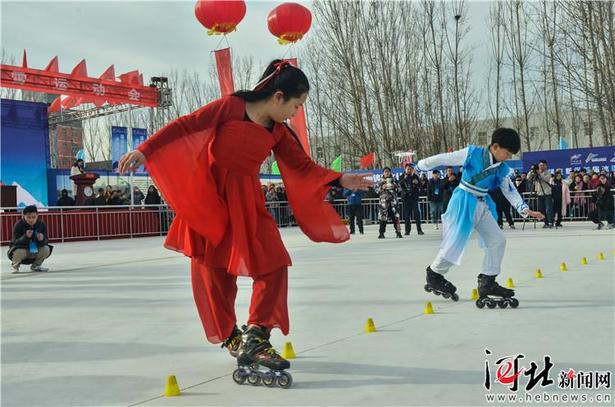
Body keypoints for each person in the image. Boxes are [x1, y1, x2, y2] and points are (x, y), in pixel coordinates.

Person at [118, 60, 372, 374]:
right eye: (296, 105)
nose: (295, 113)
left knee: (274, 263)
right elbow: (187, 124)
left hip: (248, 201)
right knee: (214, 271)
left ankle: (257, 335)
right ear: (278, 96)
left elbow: (302, 167)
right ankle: (230, 336)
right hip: (212, 196)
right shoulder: (231, 107)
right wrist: (146, 149)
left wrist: (338, 179)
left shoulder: (279, 132)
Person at [415, 128, 544, 307]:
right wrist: (421, 165)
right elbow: (445, 158)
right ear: (496, 147)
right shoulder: (472, 153)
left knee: (497, 240)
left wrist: (524, 209)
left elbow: (509, 190)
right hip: (463, 200)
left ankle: (487, 282)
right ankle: (434, 274)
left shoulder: (501, 168)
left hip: (482, 203)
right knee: (455, 242)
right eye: (506, 153)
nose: (507, 157)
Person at [8, 205, 53, 273]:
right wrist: (25, 237)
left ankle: (36, 266)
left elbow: (46, 241)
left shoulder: (41, 224)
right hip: (23, 250)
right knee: (17, 251)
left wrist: (42, 239)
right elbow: (14, 242)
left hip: (35, 250)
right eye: (28, 217)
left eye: (33, 217)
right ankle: (15, 267)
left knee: (46, 249)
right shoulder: (18, 225)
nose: (31, 220)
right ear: (24, 216)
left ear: (37, 216)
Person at [377, 167, 403, 239]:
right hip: (383, 203)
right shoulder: (380, 180)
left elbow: (400, 189)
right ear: (383, 173)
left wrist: (395, 186)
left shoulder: (394, 180)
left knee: (396, 218)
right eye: (385, 172)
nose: (387, 173)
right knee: (382, 219)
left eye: (388, 171)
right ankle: (381, 233)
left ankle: (398, 232)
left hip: (393, 203)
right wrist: (382, 187)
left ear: (390, 172)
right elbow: (376, 190)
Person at [527, 160, 554, 228]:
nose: (541, 167)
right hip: (539, 193)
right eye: (540, 165)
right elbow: (528, 178)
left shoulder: (548, 173)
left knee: (548, 209)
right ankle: (545, 222)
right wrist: (532, 170)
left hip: (547, 193)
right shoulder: (535, 173)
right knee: (541, 209)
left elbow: (546, 179)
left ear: (545, 166)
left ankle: (550, 222)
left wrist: (539, 173)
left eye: (542, 165)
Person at [399, 164, 424, 235]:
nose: (409, 170)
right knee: (407, 216)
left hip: (414, 198)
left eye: (410, 169)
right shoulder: (402, 176)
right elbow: (399, 185)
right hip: (406, 198)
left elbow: (420, 186)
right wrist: (405, 179)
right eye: (407, 169)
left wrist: (417, 183)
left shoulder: (415, 176)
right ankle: (407, 231)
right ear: (405, 169)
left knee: (417, 214)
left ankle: (419, 230)